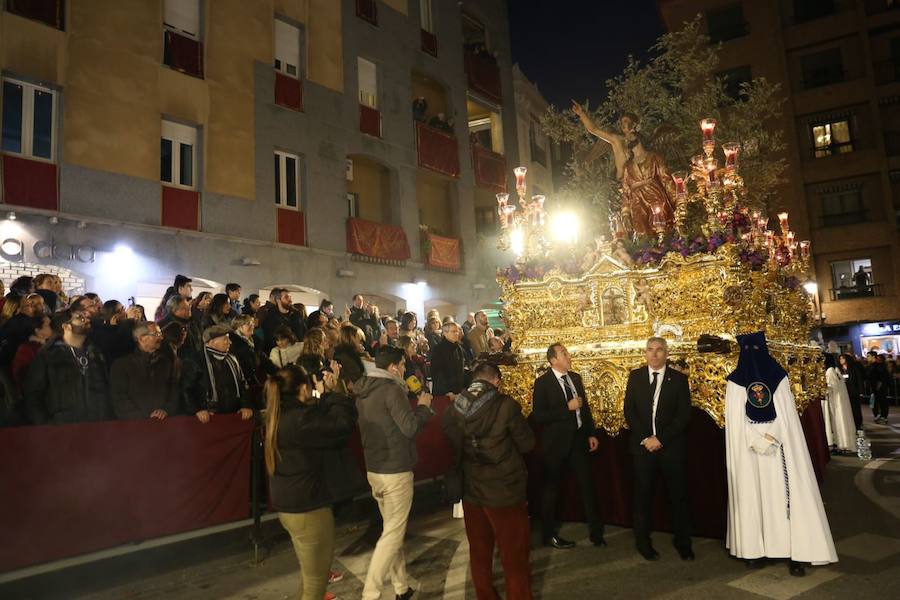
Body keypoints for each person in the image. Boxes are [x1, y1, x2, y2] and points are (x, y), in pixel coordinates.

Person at [725, 331, 838, 577]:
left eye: (756, 350)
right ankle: (755, 550)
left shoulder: (779, 379)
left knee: (787, 498)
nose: (753, 357)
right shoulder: (734, 383)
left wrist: (772, 437)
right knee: (755, 495)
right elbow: (734, 423)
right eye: (748, 351)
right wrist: (754, 439)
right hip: (750, 452)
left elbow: (786, 416)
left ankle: (795, 552)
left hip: (779, 451)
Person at [265, 362, 357, 600]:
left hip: (291, 505)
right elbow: (341, 426)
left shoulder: (282, 414)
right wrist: (337, 391)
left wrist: (324, 394)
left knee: (309, 578)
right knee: (316, 584)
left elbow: (316, 416)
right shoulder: (299, 420)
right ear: (302, 389)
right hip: (309, 509)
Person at [443, 362, 535, 599]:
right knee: (514, 556)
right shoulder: (505, 405)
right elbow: (527, 444)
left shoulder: (455, 407)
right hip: (504, 490)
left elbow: (453, 447)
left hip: (472, 489)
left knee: (480, 553)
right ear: (495, 381)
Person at [355, 347, 434, 600]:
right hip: (395, 470)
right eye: (401, 365)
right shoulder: (392, 389)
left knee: (392, 530)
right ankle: (371, 593)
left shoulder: (363, 390)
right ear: (392, 368)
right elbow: (410, 428)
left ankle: (401, 587)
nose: (404, 370)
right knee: (392, 535)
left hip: (375, 469)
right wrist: (423, 407)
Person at [623, 337, 693, 561]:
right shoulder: (635, 377)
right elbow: (629, 411)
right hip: (643, 449)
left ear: (666, 353)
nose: (654, 354)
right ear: (645, 353)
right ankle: (643, 543)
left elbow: (683, 416)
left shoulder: (679, 380)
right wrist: (646, 438)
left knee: (678, 497)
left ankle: (683, 542)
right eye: (650, 350)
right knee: (642, 497)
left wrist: (660, 438)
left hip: (670, 448)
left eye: (659, 350)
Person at [532, 343, 604, 550]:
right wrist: (567, 408)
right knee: (552, 489)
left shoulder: (575, 378)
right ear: (553, 360)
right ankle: (549, 534)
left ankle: (596, 533)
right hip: (555, 445)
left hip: (579, 440)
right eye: (563, 353)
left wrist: (590, 432)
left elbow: (585, 408)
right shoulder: (543, 383)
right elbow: (539, 415)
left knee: (587, 486)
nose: (568, 356)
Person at [25, 309, 111, 425]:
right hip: (61, 427)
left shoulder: (95, 353)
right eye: (79, 318)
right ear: (66, 326)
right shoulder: (48, 357)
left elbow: (104, 387)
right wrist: (45, 425)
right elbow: (33, 395)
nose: (86, 320)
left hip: (96, 426)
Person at [181, 325, 252, 423]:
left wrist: (246, 405)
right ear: (211, 342)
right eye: (225, 339)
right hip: (209, 417)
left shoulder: (232, 359)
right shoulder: (195, 361)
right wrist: (197, 410)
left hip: (233, 414)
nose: (230, 342)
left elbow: (243, 384)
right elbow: (186, 388)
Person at [110, 322, 180, 420]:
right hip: (134, 426)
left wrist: (166, 410)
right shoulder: (122, 365)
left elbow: (174, 391)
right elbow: (119, 399)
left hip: (164, 423)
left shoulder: (166, 363)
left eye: (160, 334)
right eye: (156, 334)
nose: (161, 338)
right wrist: (144, 417)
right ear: (142, 338)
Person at [823, 353, 856, 453]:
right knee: (842, 420)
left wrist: (822, 388)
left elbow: (832, 387)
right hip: (840, 401)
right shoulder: (836, 370)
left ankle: (842, 444)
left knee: (839, 422)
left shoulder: (830, 371)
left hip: (836, 402)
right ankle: (843, 443)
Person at [11, 314, 52, 390]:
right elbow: (21, 376)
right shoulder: (26, 349)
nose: (52, 327)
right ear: (38, 330)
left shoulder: (49, 344)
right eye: (48, 325)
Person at [430, 322, 467, 396]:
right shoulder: (438, 349)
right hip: (445, 393)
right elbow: (437, 372)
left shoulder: (459, 348)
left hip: (458, 390)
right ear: (445, 333)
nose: (457, 334)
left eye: (457, 331)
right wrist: (446, 391)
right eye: (453, 331)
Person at [838, 353, 865, 430]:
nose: (841, 360)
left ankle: (858, 424)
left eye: (843, 358)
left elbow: (859, 379)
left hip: (854, 391)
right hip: (845, 392)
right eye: (840, 359)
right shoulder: (840, 369)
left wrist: (861, 391)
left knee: (856, 408)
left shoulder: (854, 367)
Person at [866, 350, 891, 424]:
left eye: (868, 356)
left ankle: (883, 417)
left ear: (873, 356)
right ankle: (877, 415)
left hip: (880, 389)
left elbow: (883, 378)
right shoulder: (870, 366)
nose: (867, 358)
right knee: (874, 403)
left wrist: (878, 387)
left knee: (882, 402)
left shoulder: (879, 366)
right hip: (873, 388)